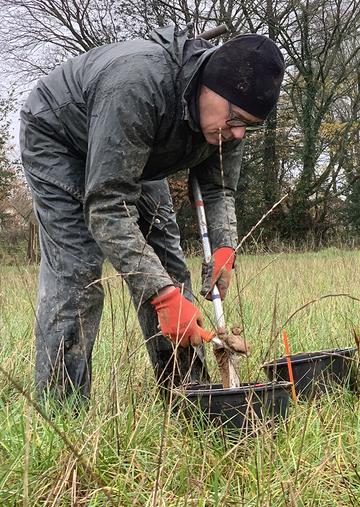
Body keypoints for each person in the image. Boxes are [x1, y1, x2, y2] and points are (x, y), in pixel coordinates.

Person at [19, 26, 285, 405]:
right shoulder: (136, 87)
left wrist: (225, 246)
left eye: (250, 126)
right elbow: (108, 205)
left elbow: (218, 188)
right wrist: (160, 296)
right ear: (209, 86)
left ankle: (190, 397)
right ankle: (62, 409)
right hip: (60, 138)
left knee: (168, 266)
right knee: (76, 274)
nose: (239, 133)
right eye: (236, 118)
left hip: (136, 153)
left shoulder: (226, 124)